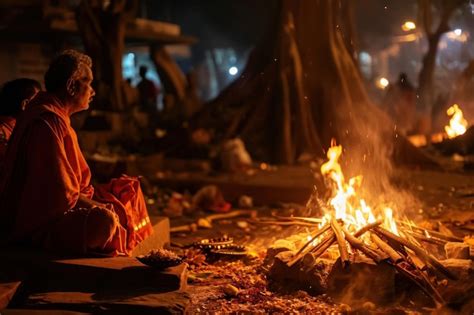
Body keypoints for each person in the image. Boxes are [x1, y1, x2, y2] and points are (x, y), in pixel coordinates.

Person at [0, 50, 152, 256]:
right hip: (37, 224)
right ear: (72, 86)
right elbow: (61, 195)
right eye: (88, 82)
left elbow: (75, 188)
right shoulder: (47, 121)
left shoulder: (57, 117)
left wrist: (103, 202)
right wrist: (104, 209)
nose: (93, 91)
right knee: (104, 222)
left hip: (67, 204)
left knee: (128, 190)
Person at [0, 78, 41, 162]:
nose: (42, 106)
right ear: (25, 104)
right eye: (38, 101)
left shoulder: (20, 129)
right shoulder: (3, 133)